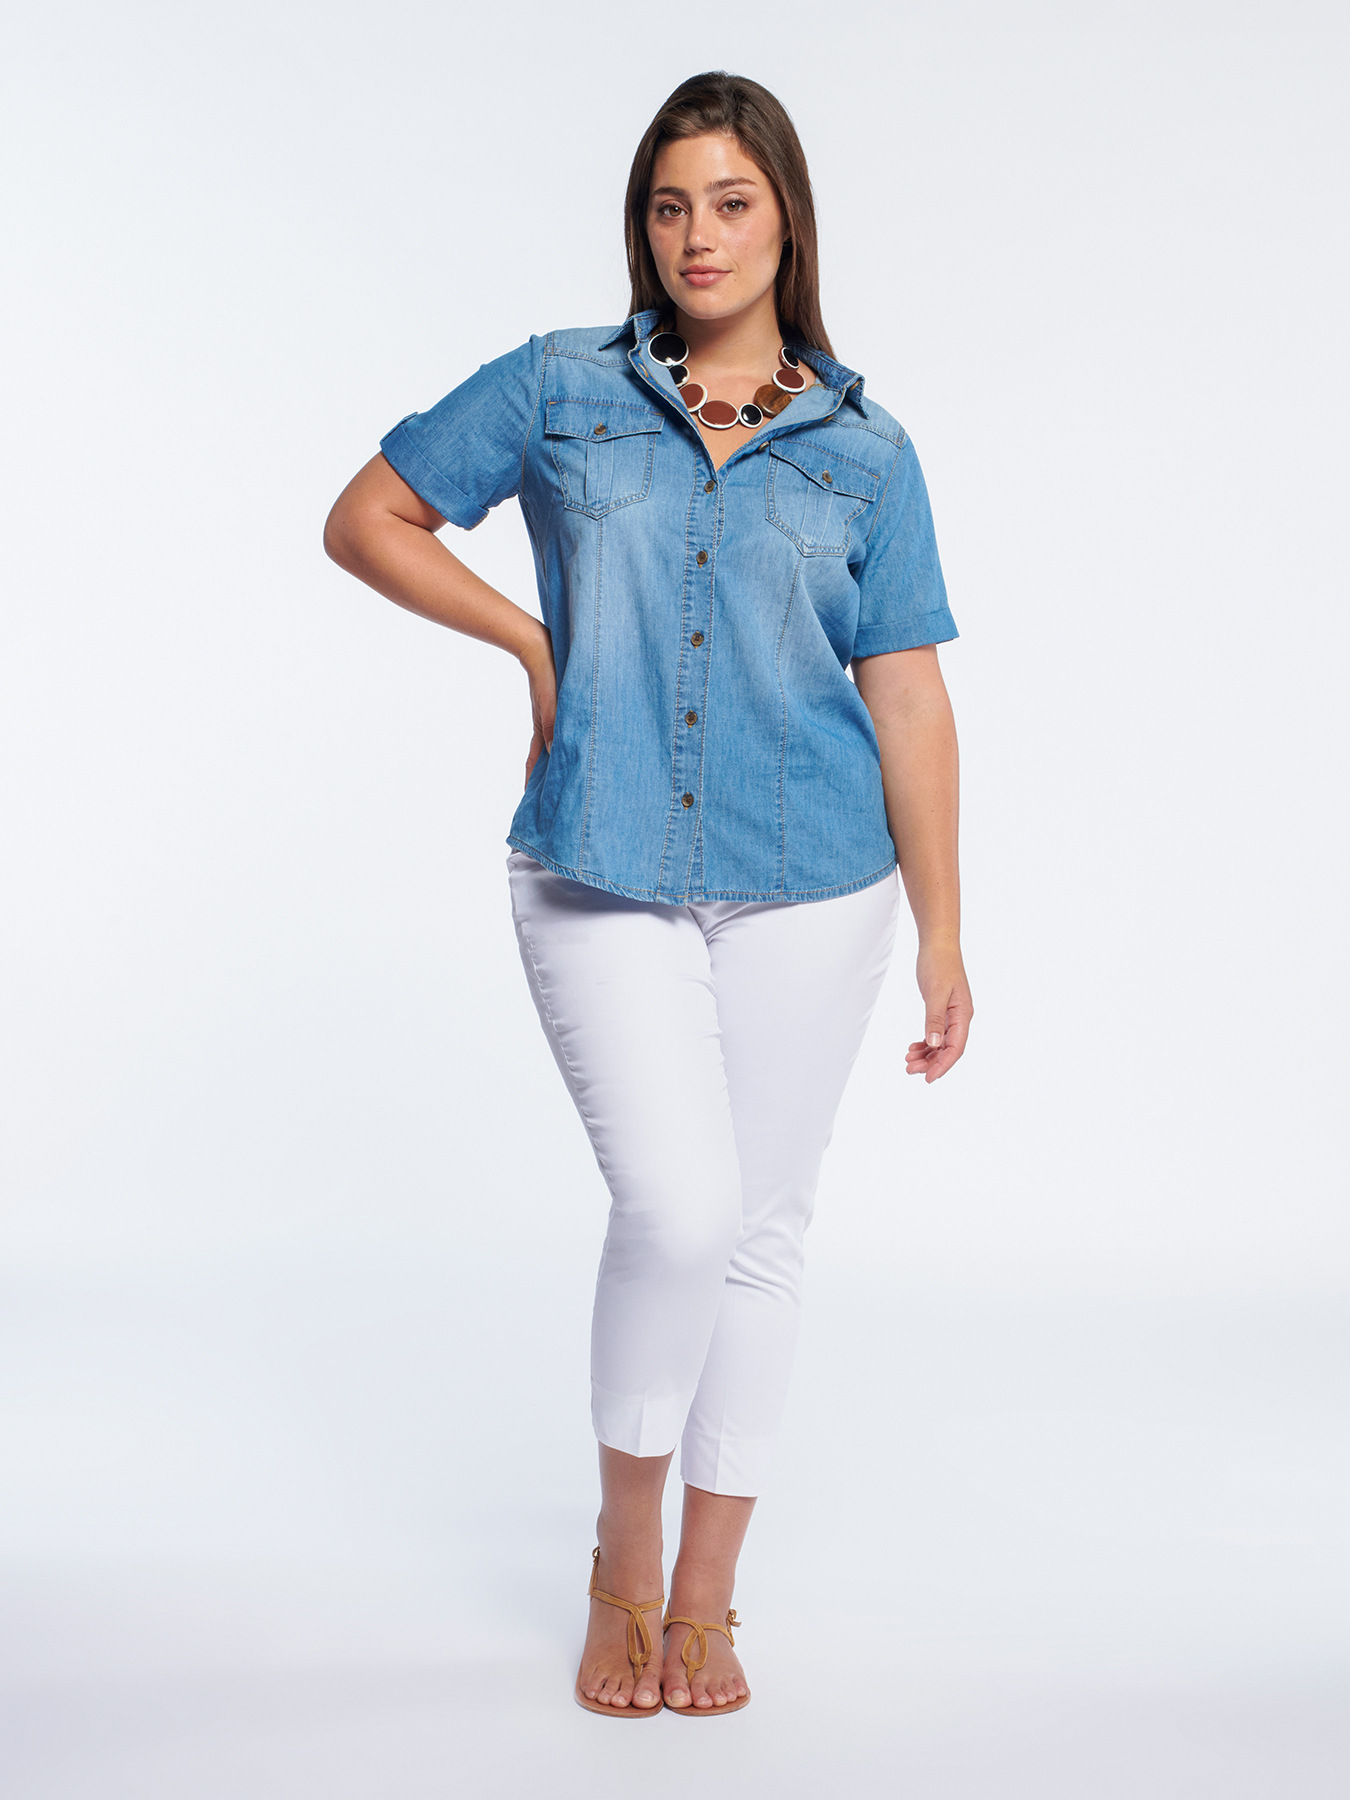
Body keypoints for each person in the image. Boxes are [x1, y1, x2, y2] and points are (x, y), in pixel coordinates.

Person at [323, 69, 973, 1719]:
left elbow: (906, 697)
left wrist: (945, 932)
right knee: (679, 1209)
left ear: (786, 222)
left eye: (731, 203)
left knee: (758, 1234)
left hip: (815, 880)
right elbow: (367, 516)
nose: (698, 235)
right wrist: (528, 641)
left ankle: (705, 1596)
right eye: (670, 205)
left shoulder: (867, 450)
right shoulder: (558, 389)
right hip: (599, 857)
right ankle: (623, 1560)